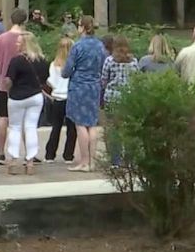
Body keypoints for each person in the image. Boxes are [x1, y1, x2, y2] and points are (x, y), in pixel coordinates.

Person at [2, 32, 49, 175]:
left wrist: (9, 90)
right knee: (31, 128)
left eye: (19, 42)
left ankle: (13, 160)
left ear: (24, 44)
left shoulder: (16, 60)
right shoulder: (42, 60)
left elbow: (8, 80)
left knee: (15, 128)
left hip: (17, 96)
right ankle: (30, 162)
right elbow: (45, 79)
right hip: (35, 96)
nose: (16, 44)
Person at [63, 16, 105, 172]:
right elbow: (102, 64)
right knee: (92, 124)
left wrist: (65, 73)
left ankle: (84, 161)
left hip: (79, 86)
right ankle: (93, 162)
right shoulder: (100, 46)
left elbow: (67, 70)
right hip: (94, 86)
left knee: (80, 124)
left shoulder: (78, 46)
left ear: (83, 27)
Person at [0, 9, 28, 165]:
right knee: (26, 121)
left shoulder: (0, 39)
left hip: (4, 83)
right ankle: (29, 153)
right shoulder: (27, 38)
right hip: (25, 84)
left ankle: (0, 153)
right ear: (25, 21)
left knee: (3, 118)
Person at [101, 36, 139, 166]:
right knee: (129, 129)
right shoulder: (133, 61)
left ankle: (115, 161)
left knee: (114, 129)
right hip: (129, 98)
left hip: (112, 97)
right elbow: (137, 78)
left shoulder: (110, 61)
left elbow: (104, 80)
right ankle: (129, 160)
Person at [44, 36, 76, 164]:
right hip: (70, 97)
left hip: (57, 98)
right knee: (71, 129)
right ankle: (68, 154)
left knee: (56, 127)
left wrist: (56, 88)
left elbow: (50, 81)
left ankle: (50, 154)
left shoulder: (54, 64)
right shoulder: (73, 65)